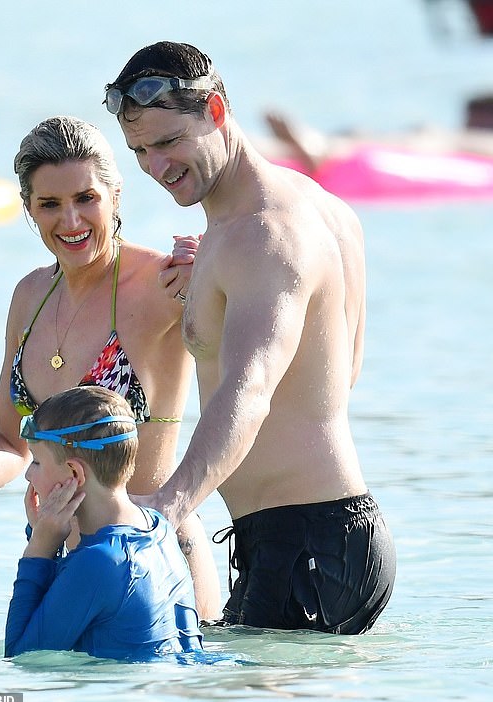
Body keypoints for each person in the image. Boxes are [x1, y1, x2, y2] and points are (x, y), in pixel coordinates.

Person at [105, 41, 396, 634]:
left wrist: (170, 506)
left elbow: (250, 388)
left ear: (215, 110)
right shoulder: (319, 208)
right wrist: (218, 293)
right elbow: (339, 371)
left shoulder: (261, 235)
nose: (156, 168)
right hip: (329, 540)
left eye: (167, 143)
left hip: (304, 546)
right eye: (139, 152)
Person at [0, 115, 220, 620]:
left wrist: (216, 274)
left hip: (150, 562)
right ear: (29, 209)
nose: (70, 221)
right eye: (50, 204)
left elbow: (257, 358)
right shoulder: (30, 296)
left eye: (86, 198)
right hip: (57, 565)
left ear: (115, 194)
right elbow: (7, 442)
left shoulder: (164, 285)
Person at [4, 385, 203, 659]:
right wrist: (43, 534)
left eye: (36, 462)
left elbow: (22, 656)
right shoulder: (160, 529)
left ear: (74, 471)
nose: (28, 476)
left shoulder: (100, 561)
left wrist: (38, 548)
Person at [261, 94, 493, 175]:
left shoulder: (479, 141)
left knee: (423, 140)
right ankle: (316, 147)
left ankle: (319, 150)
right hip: (416, 139)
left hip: (428, 143)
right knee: (360, 135)